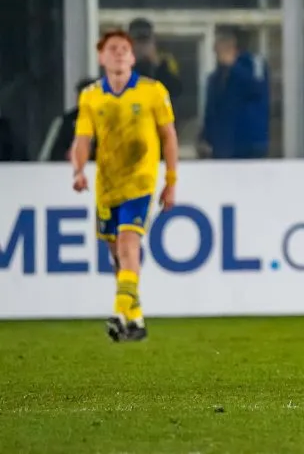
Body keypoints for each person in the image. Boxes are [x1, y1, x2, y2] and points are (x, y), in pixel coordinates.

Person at [71, 30, 179, 342]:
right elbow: (83, 138)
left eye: (124, 49)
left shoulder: (152, 91)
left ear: (132, 57)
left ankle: (119, 313)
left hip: (140, 182)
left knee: (128, 244)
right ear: (101, 57)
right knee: (117, 254)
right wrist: (78, 171)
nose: (119, 53)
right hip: (108, 185)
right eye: (112, 49)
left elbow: (169, 136)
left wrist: (170, 181)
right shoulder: (91, 96)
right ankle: (136, 320)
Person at [199, 26, 270, 159]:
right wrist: (205, 138)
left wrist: (234, 66)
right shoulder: (215, 78)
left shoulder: (254, 64)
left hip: (250, 145)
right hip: (223, 147)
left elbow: (256, 89)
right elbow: (212, 110)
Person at [127, 18, 183, 100]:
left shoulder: (163, 65)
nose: (142, 48)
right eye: (138, 42)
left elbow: (176, 91)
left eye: (145, 42)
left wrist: (158, 66)